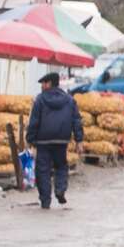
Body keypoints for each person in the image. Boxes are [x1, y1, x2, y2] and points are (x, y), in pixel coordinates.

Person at [25, 71, 84, 211]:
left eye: (43, 83)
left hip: (43, 141)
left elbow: (34, 121)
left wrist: (30, 139)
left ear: (49, 83)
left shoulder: (40, 100)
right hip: (61, 140)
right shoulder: (69, 100)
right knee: (61, 166)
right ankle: (60, 189)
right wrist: (79, 140)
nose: (42, 86)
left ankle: (45, 201)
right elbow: (77, 120)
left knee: (43, 171)